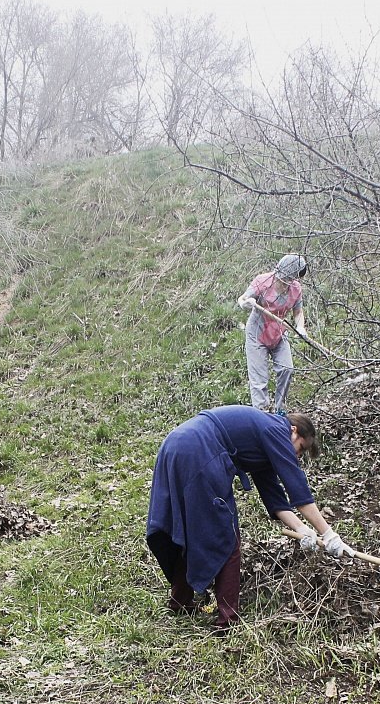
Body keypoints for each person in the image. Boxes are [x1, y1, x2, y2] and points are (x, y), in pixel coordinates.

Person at [146, 405, 350, 632]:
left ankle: (180, 603)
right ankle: (227, 621)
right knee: (227, 537)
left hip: (176, 444)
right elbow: (298, 489)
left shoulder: (263, 438)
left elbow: (275, 498)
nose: (296, 456)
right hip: (200, 451)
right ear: (293, 430)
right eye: (300, 449)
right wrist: (329, 535)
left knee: (190, 528)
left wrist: (302, 529)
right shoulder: (276, 429)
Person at [236, 254, 307, 412]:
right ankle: (261, 414)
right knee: (259, 381)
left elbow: (298, 311)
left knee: (287, 368)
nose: (287, 283)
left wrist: (301, 327)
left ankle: (279, 409)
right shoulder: (263, 281)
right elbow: (243, 298)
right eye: (285, 280)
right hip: (257, 334)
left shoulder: (295, 288)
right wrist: (246, 303)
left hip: (279, 334)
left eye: (292, 279)